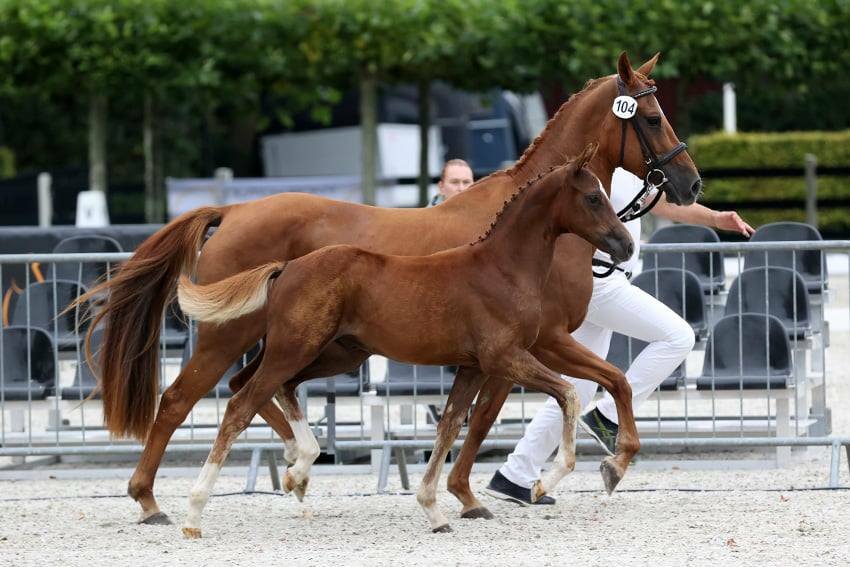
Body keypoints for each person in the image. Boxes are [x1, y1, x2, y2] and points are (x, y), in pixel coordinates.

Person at [485, 167, 754, 506]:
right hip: (600, 282)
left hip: (606, 281)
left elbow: (664, 204)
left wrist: (716, 218)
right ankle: (608, 416)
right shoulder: (595, 174)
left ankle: (514, 475)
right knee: (678, 337)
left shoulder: (629, 173)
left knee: (578, 389)